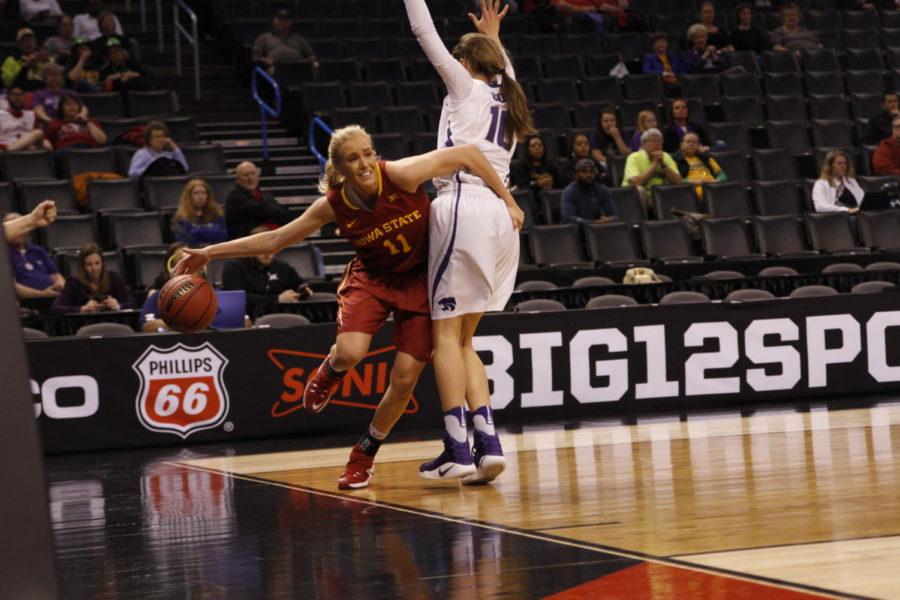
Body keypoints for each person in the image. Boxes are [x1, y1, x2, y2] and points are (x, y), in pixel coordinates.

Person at [174, 126, 523, 491]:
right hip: (371, 280)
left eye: (368, 153)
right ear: (338, 169)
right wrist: (209, 253)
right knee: (351, 352)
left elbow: (467, 153)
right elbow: (277, 239)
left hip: (419, 283)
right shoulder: (334, 203)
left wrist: (508, 201)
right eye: (353, 158)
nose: (365, 163)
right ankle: (332, 367)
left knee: (404, 379)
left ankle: (364, 453)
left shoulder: (401, 174)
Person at [404, 0, 532, 483]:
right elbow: (501, 65)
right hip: (501, 215)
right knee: (464, 339)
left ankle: (457, 448)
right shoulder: (510, 93)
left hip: (465, 204)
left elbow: (422, 28)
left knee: (444, 338)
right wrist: (495, 37)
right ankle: (488, 445)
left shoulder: (464, 88)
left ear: (464, 64)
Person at [221, 226, 312, 318]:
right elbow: (237, 299)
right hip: (246, 316)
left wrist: (304, 290)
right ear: (251, 247)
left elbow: (299, 284)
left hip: (279, 315)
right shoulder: (234, 266)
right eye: (263, 248)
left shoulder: (282, 267)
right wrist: (277, 299)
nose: (268, 253)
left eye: (272, 249)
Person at [51, 242, 135, 314]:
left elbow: (132, 303)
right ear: (83, 266)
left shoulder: (113, 277)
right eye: (89, 264)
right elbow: (56, 308)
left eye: (97, 263)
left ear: (102, 263)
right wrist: (82, 309)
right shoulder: (75, 282)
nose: (94, 268)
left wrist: (118, 306)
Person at [4, 211, 65, 300]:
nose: (18, 232)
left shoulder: (38, 250)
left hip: (53, 298)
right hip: (27, 302)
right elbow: (12, 287)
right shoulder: (4, 255)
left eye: (21, 228)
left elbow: (56, 276)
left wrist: (60, 287)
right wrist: (42, 294)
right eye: (15, 228)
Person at [225, 161, 291, 239]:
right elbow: (262, 212)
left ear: (258, 176)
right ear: (238, 179)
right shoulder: (235, 197)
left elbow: (285, 216)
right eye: (245, 175)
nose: (250, 178)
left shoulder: (266, 195)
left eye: (253, 173)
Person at [623, 128, 683, 212]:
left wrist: (663, 164)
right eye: (653, 141)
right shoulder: (634, 157)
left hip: (662, 195)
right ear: (643, 144)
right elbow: (636, 183)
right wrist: (654, 164)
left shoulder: (666, 156)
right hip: (640, 196)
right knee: (639, 190)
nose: (657, 144)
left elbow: (679, 182)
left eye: (659, 141)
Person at [252, 9, 318, 72]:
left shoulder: (298, 38)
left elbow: (311, 54)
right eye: (280, 20)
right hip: (276, 67)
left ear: (290, 22)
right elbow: (256, 57)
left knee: (316, 65)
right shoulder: (264, 37)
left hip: (298, 67)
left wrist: (311, 58)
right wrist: (266, 61)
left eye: (287, 20)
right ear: (274, 21)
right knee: (271, 71)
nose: (283, 23)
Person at [171, 179, 228, 246]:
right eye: (196, 193)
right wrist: (210, 231)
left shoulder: (216, 214)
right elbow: (185, 241)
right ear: (189, 196)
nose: (200, 197)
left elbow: (223, 236)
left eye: (203, 193)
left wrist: (197, 232)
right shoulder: (181, 218)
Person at [560, 159, 617, 224]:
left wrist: (609, 219)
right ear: (576, 174)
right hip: (575, 230)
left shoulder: (602, 190)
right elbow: (567, 218)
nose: (588, 175)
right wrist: (592, 222)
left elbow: (614, 216)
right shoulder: (569, 191)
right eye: (584, 172)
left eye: (591, 172)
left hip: (595, 229)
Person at [673, 132, 727, 200]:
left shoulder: (706, 158)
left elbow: (722, 175)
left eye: (694, 142)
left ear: (698, 145)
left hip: (714, 187)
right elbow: (676, 181)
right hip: (695, 192)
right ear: (681, 145)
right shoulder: (675, 160)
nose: (691, 144)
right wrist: (695, 182)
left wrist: (716, 181)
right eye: (688, 142)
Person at [0, 86, 49, 150]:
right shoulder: (1, 115)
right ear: (7, 97)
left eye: (21, 95)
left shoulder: (32, 115)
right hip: (5, 146)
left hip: (27, 147)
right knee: (38, 133)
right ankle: (9, 151)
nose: (18, 97)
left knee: (47, 145)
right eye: (14, 94)